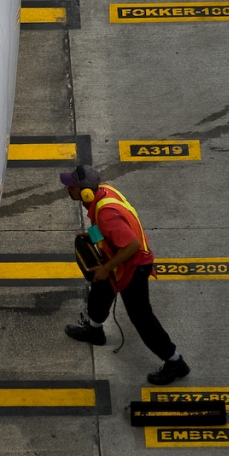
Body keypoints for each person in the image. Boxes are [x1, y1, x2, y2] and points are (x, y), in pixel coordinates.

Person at [60, 165, 189, 385]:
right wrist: (93, 235)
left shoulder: (107, 214)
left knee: (141, 318)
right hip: (125, 259)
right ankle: (94, 330)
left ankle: (174, 362)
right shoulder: (105, 194)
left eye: (71, 186)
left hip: (134, 267)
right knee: (101, 290)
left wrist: (106, 266)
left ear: (85, 192)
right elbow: (115, 228)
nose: (67, 189)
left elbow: (132, 245)